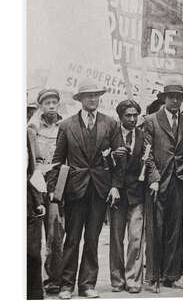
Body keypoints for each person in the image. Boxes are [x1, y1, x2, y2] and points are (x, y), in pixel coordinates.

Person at [46, 79, 121, 299]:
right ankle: (66, 285)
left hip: (100, 188)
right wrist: (53, 188)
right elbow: (57, 160)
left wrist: (115, 185)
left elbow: (119, 158)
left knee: (92, 238)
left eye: (96, 95)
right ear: (80, 99)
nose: (93, 98)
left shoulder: (110, 123)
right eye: (88, 95)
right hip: (74, 189)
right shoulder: (67, 125)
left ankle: (87, 284)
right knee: (72, 238)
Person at [143, 83, 183, 289]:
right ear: (163, 98)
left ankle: (171, 275)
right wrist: (153, 177)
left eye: (178, 97)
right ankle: (153, 276)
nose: (175, 101)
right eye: (171, 97)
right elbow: (147, 153)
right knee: (155, 227)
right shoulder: (150, 121)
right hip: (157, 181)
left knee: (175, 228)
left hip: (179, 180)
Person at [27, 88, 64, 294]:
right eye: (47, 103)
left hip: (55, 182)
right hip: (35, 183)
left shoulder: (64, 126)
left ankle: (53, 279)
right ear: (41, 105)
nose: (51, 106)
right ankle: (30, 281)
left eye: (54, 102)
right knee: (33, 236)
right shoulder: (32, 127)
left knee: (55, 232)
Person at [108, 99, 147, 294]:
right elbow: (101, 162)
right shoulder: (111, 136)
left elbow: (150, 161)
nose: (132, 119)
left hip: (137, 195)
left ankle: (133, 279)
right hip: (117, 195)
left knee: (135, 238)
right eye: (128, 116)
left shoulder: (143, 136)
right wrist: (112, 156)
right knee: (116, 239)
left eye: (135, 115)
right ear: (120, 117)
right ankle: (117, 280)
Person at [27, 128, 46, 300]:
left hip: (29, 200)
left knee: (33, 252)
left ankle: (34, 296)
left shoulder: (30, 135)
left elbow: (33, 170)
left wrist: (38, 201)